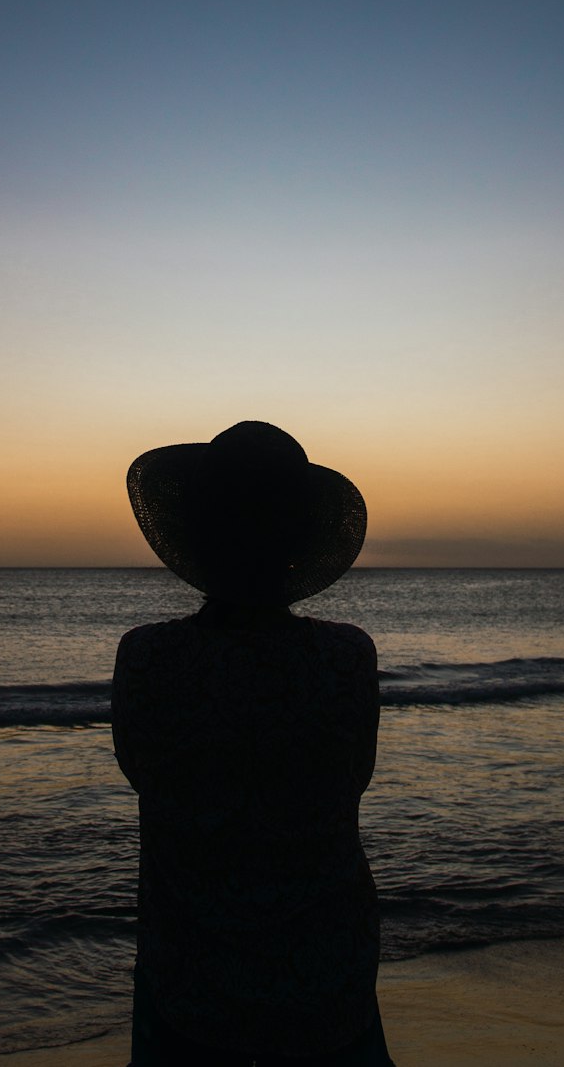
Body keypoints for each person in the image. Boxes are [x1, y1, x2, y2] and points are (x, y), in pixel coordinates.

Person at [112, 420, 394, 1066]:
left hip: (191, 978)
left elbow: (141, 772)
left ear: (200, 538)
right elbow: (355, 775)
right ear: (298, 543)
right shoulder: (346, 656)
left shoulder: (150, 657)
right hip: (329, 972)